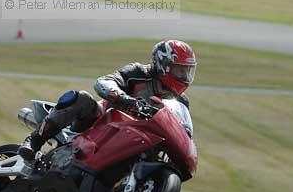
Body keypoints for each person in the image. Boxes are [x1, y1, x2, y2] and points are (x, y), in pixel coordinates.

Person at [18, 39, 197, 162]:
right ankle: (33, 142)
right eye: (180, 70)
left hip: (136, 139)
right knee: (81, 98)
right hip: (99, 124)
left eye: (187, 71)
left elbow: (182, 131)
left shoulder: (180, 101)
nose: (184, 76)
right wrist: (125, 100)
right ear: (164, 65)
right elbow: (103, 82)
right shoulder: (138, 72)